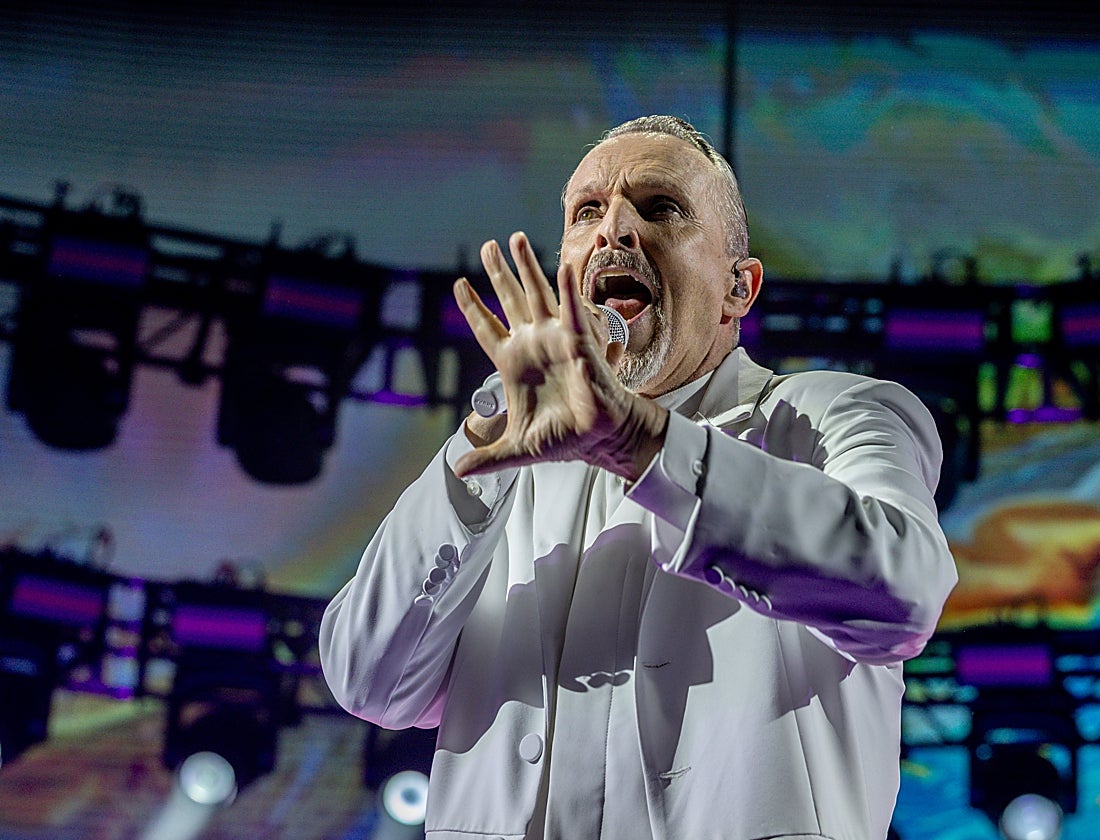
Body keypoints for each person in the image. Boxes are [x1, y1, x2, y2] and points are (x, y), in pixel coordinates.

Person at [320, 115, 957, 840]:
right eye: (587, 211)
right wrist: (484, 443)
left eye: (660, 208)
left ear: (738, 290)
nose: (614, 228)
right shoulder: (503, 473)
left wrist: (635, 440)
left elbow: (903, 593)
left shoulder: (830, 413)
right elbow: (370, 681)